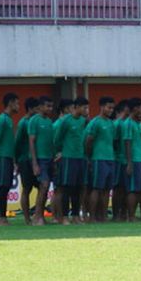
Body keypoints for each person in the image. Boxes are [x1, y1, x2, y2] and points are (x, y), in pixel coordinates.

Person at [53, 96, 89, 225]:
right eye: (84, 107)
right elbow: (57, 139)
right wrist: (60, 152)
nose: (86, 110)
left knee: (78, 189)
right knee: (67, 188)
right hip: (68, 158)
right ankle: (64, 217)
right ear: (76, 107)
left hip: (80, 158)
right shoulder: (66, 121)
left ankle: (75, 215)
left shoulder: (83, 121)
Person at [0, 92, 19, 226]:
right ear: (10, 103)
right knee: (2, 187)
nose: (18, 106)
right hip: (2, 157)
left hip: (8, 157)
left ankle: (3, 217)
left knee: (6, 187)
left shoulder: (9, 120)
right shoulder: (2, 120)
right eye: (17, 103)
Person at [84, 97, 116, 222]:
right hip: (98, 159)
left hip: (110, 159)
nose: (111, 110)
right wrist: (90, 157)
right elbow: (88, 141)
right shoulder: (95, 122)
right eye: (109, 107)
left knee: (106, 190)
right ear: (102, 107)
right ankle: (92, 216)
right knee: (97, 188)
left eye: (112, 108)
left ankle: (102, 216)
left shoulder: (111, 123)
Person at [28, 96, 55, 226]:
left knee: (46, 187)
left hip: (50, 158)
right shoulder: (34, 121)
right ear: (40, 107)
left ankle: (41, 216)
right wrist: (34, 163)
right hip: (40, 159)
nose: (50, 109)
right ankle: (37, 216)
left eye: (51, 106)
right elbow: (31, 141)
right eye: (47, 106)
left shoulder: (49, 122)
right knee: (43, 186)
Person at [14, 97, 39, 225]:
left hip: (36, 159)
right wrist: (16, 162)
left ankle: (38, 216)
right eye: (37, 108)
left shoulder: (36, 121)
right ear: (30, 109)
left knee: (42, 187)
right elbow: (17, 143)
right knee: (26, 189)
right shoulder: (23, 123)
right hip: (25, 160)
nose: (39, 110)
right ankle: (27, 218)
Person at [123, 97, 141, 222]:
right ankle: (130, 216)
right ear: (135, 108)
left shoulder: (138, 123)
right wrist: (129, 163)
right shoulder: (128, 123)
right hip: (134, 160)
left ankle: (133, 215)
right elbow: (127, 142)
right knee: (132, 189)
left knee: (139, 189)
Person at [51, 98, 73, 222]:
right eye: (71, 108)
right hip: (59, 161)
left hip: (65, 160)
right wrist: (58, 154)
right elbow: (54, 142)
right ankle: (56, 216)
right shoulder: (59, 124)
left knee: (60, 189)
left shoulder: (61, 123)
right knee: (59, 189)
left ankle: (56, 216)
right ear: (65, 109)